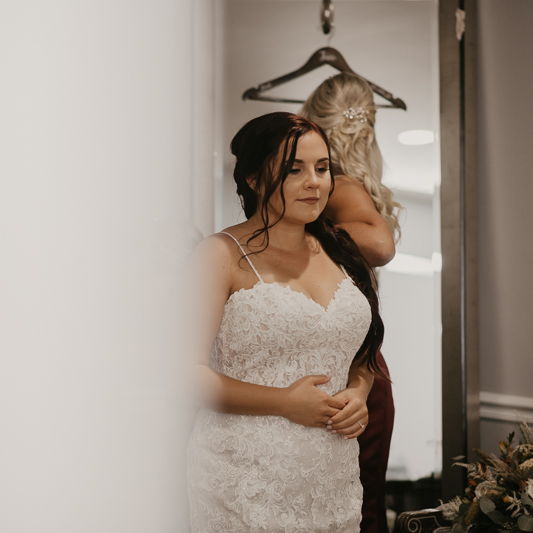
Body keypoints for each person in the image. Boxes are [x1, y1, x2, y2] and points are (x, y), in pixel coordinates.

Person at [186, 111, 385, 532]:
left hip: (333, 479)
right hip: (244, 484)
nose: (314, 182)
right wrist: (282, 402)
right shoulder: (220, 254)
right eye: (294, 170)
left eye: (322, 168)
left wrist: (359, 392)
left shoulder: (342, 251)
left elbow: (361, 356)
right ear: (255, 180)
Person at [300, 73, 401, 533]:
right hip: (349, 375)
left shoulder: (339, 188)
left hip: (358, 377)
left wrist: (305, 237)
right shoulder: (341, 188)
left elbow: (379, 245)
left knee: (359, 510)